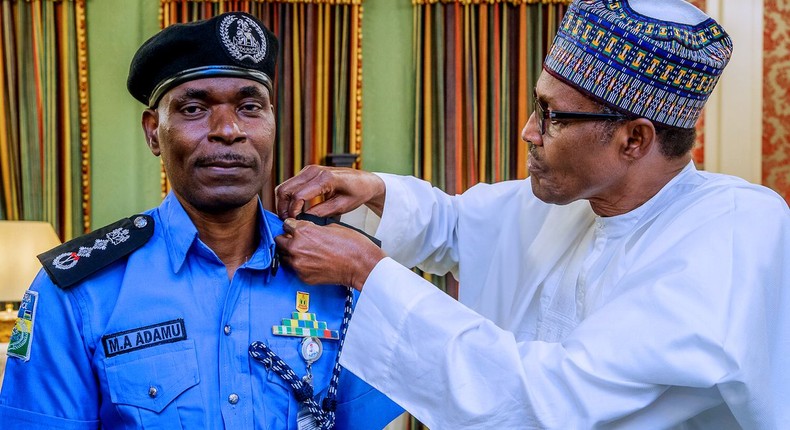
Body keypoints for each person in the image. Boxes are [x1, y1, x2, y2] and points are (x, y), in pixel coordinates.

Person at [274, 0, 790, 428]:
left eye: (553, 117)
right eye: (535, 107)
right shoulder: (572, 201)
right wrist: (371, 188)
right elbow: (457, 226)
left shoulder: (734, 231)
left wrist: (368, 271)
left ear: (634, 139)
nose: (528, 132)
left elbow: (551, 404)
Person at [0, 12, 401, 429]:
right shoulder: (81, 291)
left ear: (272, 121)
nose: (228, 129)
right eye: (194, 108)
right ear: (154, 132)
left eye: (249, 107)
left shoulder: (341, 274)